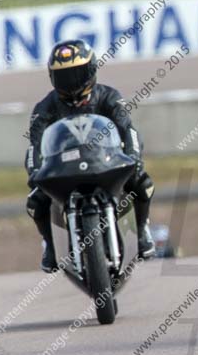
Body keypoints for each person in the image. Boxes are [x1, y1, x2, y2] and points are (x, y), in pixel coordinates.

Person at [26, 40, 155, 272]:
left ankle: (143, 228)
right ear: (52, 78)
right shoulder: (44, 107)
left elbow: (129, 129)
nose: (72, 84)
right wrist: (34, 174)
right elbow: (33, 147)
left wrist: (133, 157)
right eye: (65, 77)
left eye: (77, 74)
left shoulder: (109, 96)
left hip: (105, 162)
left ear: (92, 70)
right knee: (35, 201)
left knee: (143, 182)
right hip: (65, 167)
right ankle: (50, 245)